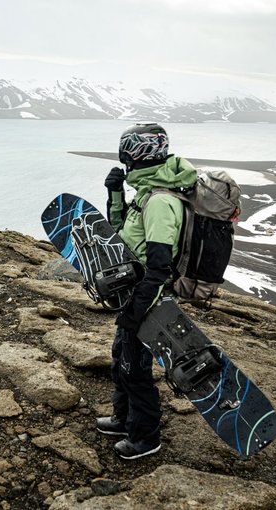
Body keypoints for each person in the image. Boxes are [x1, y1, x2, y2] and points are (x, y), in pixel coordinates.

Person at [96, 122, 198, 460]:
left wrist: (136, 311)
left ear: (138, 154)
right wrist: (115, 194)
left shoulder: (160, 202)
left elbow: (159, 268)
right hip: (136, 295)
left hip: (149, 302)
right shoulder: (148, 191)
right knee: (121, 360)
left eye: (126, 154)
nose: (124, 161)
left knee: (135, 370)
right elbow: (121, 236)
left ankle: (145, 437)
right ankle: (123, 419)